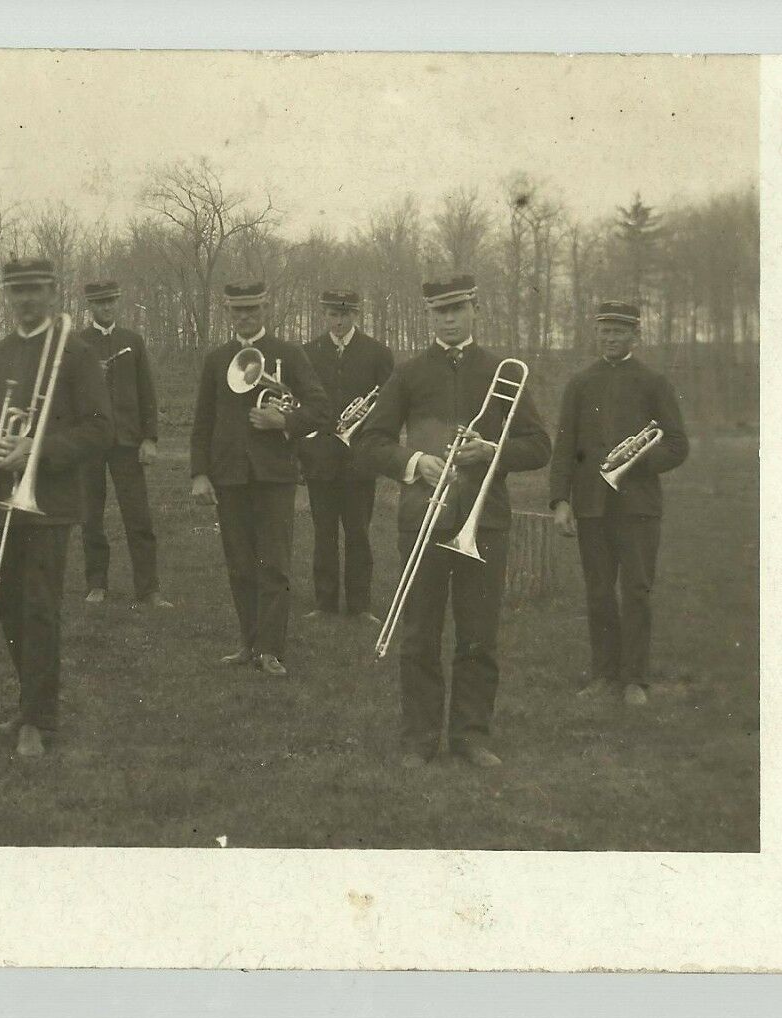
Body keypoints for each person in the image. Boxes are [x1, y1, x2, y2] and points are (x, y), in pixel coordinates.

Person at [357, 274, 550, 768]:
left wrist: (493, 451)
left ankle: (471, 735)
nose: (448, 318)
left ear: (474, 309)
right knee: (420, 632)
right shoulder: (408, 373)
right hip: (422, 516)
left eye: (457, 309)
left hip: (484, 522)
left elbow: (539, 446)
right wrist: (414, 462)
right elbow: (371, 440)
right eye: (439, 311)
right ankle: (419, 739)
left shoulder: (502, 370)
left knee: (479, 634)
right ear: (428, 315)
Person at [0, 259, 112, 758]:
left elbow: (101, 428)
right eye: (16, 292)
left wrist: (36, 453)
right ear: (5, 295)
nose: (25, 300)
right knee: (7, 608)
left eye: (35, 291)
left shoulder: (76, 354)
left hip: (49, 504)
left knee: (39, 609)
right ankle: (29, 705)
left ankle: (38, 720)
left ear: (52, 291)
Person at [549, 300, 690, 707]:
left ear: (635, 335)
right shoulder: (580, 383)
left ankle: (635, 679)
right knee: (598, 592)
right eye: (604, 331)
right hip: (591, 505)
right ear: (597, 334)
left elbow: (678, 445)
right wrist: (560, 500)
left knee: (637, 590)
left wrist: (640, 462)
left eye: (619, 331)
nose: (610, 338)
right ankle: (604, 674)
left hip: (638, 505)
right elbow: (563, 448)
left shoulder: (654, 382)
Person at [189, 281, 330, 677]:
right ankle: (248, 644)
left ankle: (270, 649)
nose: (245, 316)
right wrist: (200, 473)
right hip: (229, 474)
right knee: (239, 564)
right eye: (238, 310)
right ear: (228, 312)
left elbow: (321, 408)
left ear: (265, 308)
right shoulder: (217, 359)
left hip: (274, 474)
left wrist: (283, 420)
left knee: (275, 563)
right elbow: (202, 422)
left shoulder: (289, 353)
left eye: (252, 308)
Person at [297, 289, 394, 623]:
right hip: (320, 456)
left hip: (359, 459)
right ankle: (324, 603)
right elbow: (301, 405)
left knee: (358, 534)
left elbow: (387, 406)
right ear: (324, 315)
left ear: (356, 314)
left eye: (345, 315)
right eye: (332, 315)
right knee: (323, 534)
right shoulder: (308, 352)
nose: (338, 322)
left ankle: (360, 605)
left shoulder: (377, 353)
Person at [77, 279, 170, 608]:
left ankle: (149, 589)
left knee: (138, 516)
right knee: (91, 516)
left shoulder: (133, 341)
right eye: (100, 303)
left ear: (117, 303)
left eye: (111, 302)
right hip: (89, 444)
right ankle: (97, 583)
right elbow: (65, 398)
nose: (106, 307)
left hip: (128, 442)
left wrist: (150, 438)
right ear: (91, 306)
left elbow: (148, 393)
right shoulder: (77, 342)